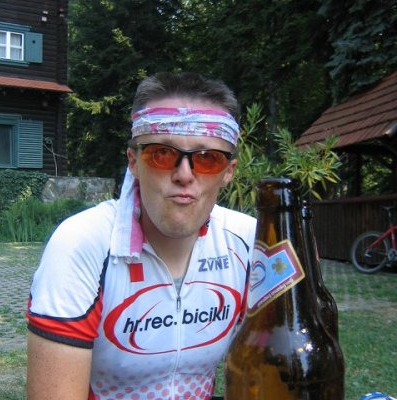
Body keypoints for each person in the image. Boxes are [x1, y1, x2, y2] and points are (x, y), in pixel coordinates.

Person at [26, 72, 257, 400]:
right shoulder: (83, 242)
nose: (184, 174)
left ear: (228, 171)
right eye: (162, 154)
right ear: (134, 162)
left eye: (207, 158)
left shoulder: (249, 241)